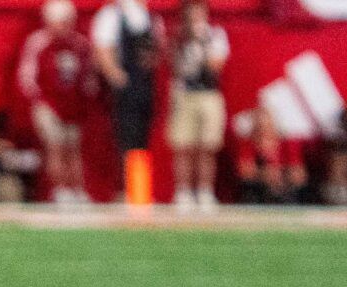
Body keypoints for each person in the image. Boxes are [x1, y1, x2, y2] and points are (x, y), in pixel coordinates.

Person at [17, 0, 97, 203]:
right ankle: (61, 190)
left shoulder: (80, 44)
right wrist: (43, 100)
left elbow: (89, 76)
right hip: (48, 105)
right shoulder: (38, 42)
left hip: (74, 105)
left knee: (73, 149)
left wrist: (83, 99)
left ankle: (78, 190)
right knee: (56, 147)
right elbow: (27, 76)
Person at [91, 0, 165, 194]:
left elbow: (156, 51)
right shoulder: (111, 15)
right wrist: (117, 77)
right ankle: (127, 189)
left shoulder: (149, 16)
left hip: (145, 85)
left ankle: (139, 189)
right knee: (126, 139)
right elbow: (103, 50)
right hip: (125, 88)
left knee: (142, 140)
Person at [166, 0, 228, 209]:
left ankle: (204, 191)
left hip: (208, 94)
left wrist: (202, 42)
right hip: (185, 95)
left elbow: (215, 66)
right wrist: (184, 43)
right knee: (184, 145)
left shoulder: (215, 35)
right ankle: (183, 191)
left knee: (207, 146)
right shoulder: (178, 37)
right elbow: (174, 67)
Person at [236, 105, 305, 204]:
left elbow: (299, 174)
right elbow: (244, 170)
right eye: (259, 122)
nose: (262, 125)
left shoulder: (286, 143)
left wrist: (282, 174)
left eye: (266, 121)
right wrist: (263, 174)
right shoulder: (247, 143)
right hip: (259, 186)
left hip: (284, 184)